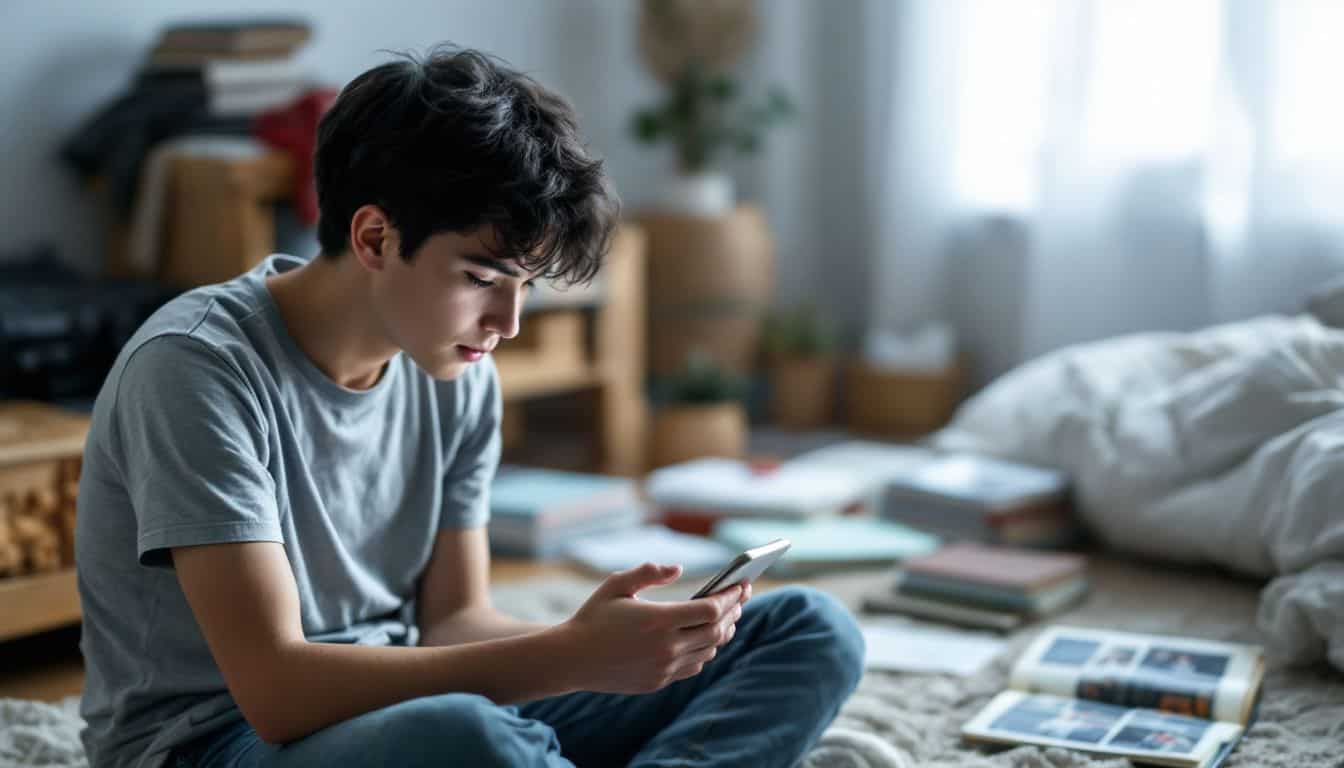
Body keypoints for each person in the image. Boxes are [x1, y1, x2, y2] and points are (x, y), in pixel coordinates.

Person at [75, 46, 864, 768]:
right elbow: (276, 694)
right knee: (470, 736)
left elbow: (454, 622)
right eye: (484, 280)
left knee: (809, 630)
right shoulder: (196, 370)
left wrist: (611, 642)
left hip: (397, 705)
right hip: (218, 743)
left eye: (526, 285)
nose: (508, 325)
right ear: (376, 237)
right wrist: (572, 657)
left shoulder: (453, 373)